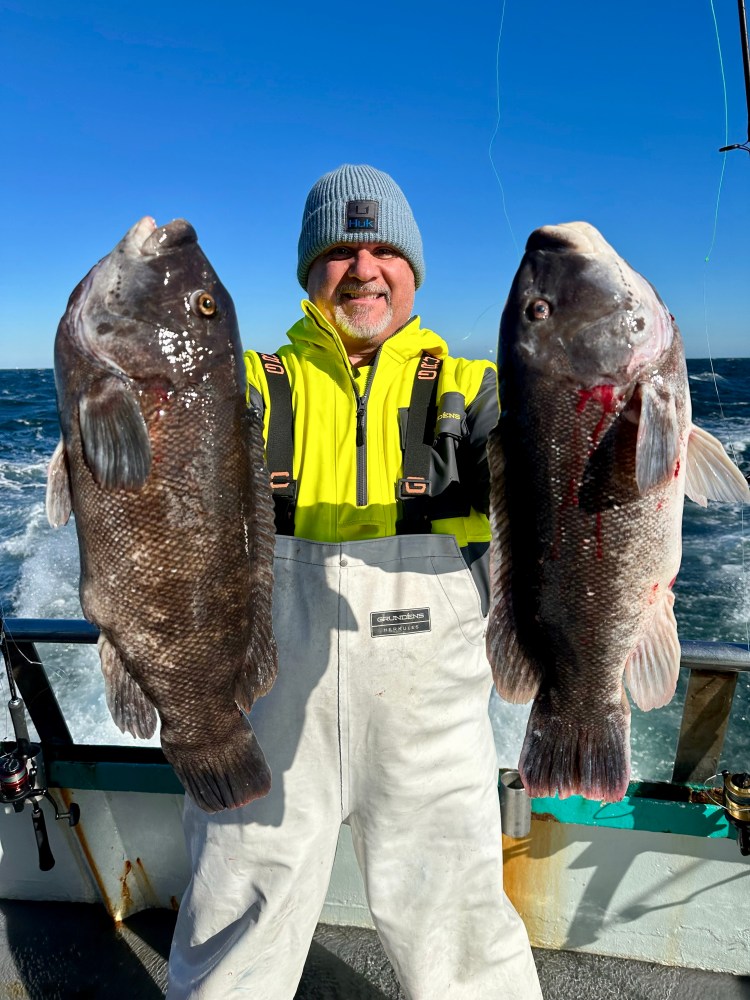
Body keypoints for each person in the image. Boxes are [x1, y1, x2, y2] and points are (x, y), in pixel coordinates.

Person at [167, 164, 542, 999]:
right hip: (265, 709)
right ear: (309, 271)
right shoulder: (249, 388)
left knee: (461, 934)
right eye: (340, 250)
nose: (363, 268)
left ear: (414, 270)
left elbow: (563, 459)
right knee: (235, 920)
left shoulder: (477, 388)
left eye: (383, 250)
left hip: (431, 722)